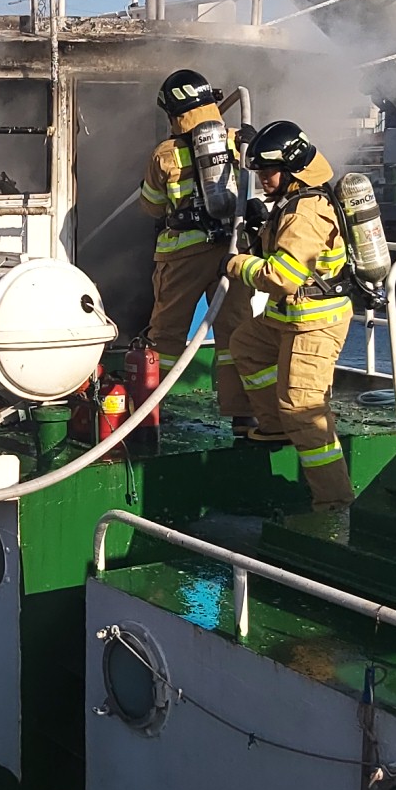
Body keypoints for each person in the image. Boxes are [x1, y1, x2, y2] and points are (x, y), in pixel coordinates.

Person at [226, 120, 356, 511]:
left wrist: (237, 264)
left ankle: (335, 503)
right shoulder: (294, 201)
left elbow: (281, 276)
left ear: (293, 169)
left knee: (303, 409)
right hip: (290, 316)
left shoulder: (305, 212)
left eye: (269, 171)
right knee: (246, 345)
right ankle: (275, 426)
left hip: (314, 323)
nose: (263, 179)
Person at [139, 69, 256, 435]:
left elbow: (152, 206)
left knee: (166, 336)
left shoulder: (164, 154)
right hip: (231, 253)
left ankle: (151, 412)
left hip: (182, 257)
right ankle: (243, 414)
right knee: (235, 334)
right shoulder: (238, 141)